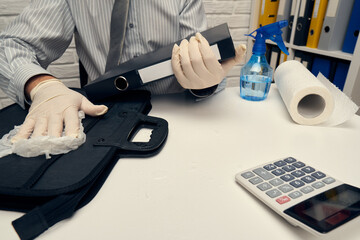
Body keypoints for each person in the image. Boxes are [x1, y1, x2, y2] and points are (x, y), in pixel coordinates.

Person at [0, 0, 245, 143]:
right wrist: (42, 85)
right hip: (103, 120)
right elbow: (10, 45)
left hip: (182, 123)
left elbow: (199, 53)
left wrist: (205, 82)